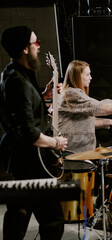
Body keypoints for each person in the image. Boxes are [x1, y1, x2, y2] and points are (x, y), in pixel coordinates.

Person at [0, 26, 68, 239]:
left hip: (23, 162)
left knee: (18, 219)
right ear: (24, 49)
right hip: (29, 162)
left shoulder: (15, 73)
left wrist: (44, 93)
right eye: (34, 43)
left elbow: (24, 107)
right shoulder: (17, 81)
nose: (38, 47)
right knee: (52, 221)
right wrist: (55, 142)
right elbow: (29, 132)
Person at [59, 59, 112, 156]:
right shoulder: (71, 94)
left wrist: (107, 122)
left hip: (80, 152)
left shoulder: (73, 93)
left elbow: (82, 121)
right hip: (73, 153)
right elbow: (99, 107)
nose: (91, 78)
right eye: (87, 75)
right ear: (77, 76)